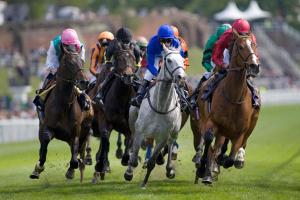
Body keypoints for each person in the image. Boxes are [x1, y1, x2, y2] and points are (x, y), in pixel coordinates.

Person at [202, 18, 260, 108]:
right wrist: (222, 65)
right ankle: (204, 94)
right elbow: (215, 56)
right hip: (225, 59)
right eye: (240, 34)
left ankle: (255, 98)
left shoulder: (251, 37)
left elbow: (255, 54)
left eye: (245, 34)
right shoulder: (226, 36)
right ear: (234, 32)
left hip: (241, 59)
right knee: (213, 77)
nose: (243, 36)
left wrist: (253, 64)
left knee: (249, 80)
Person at [33, 28, 90, 117]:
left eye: (73, 45)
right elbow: (50, 64)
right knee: (46, 84)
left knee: (82, 82)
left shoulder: (80, 47)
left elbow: (80, 64)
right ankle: (41, 104)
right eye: (67, 46)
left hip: (73, 69)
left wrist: (74, 72)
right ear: (62, 44)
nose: (70, 48)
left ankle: (84, 102)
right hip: (57, 68)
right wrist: (60, 72)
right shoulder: (54, 44)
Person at [131, 24, 185, 107]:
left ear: (173, 39)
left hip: (171, 55)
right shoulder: (152, 43)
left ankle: (183, 98)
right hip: (157, 56)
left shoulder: (176, 43)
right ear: (158, 38)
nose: (166, 43)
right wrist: (158, 75)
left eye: (168, 40)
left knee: (179, 74)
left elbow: (180, 60)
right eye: (163, 41)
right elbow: (150, 65)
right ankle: (139, 96)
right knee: (149, 74)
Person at [94, 27, 141, 105]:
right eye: (123, 41)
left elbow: (138, 59)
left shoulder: (135, 46)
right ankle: (100, 95)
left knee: (139, 81)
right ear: (119, 40)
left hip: (130, 68)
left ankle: (140, 97)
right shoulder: (113, 44)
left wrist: (136, 68)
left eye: (127, 42)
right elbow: (107, 55)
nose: (125, 44)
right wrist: (109, 63)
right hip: (117, 67)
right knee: (108, 78)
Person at [190, 24, 231, 107]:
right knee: (205, 78)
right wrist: (211, 69)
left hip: (230, 67)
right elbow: (205, 61)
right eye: (221, 39)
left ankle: (254, 98)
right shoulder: (212, 41)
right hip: (215, 66)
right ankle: (194, 98)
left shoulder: (234, 40)